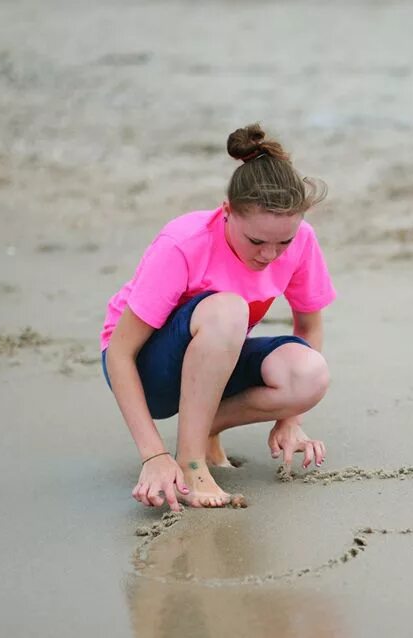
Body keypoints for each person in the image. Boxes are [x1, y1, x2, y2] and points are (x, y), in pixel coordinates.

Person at [100, 124, 335, 511]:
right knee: (229, 309)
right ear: (227, 211)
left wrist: (289, 419)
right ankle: (189, 462)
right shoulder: (184, 243)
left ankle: (206, 426)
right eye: (257, 241)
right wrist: (153, 456)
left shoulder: (303, 241)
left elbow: (308, 327)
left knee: (310, 373)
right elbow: (119, 353)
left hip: (214, 359)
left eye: (284, 242)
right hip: (148, 372)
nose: (270, 255)